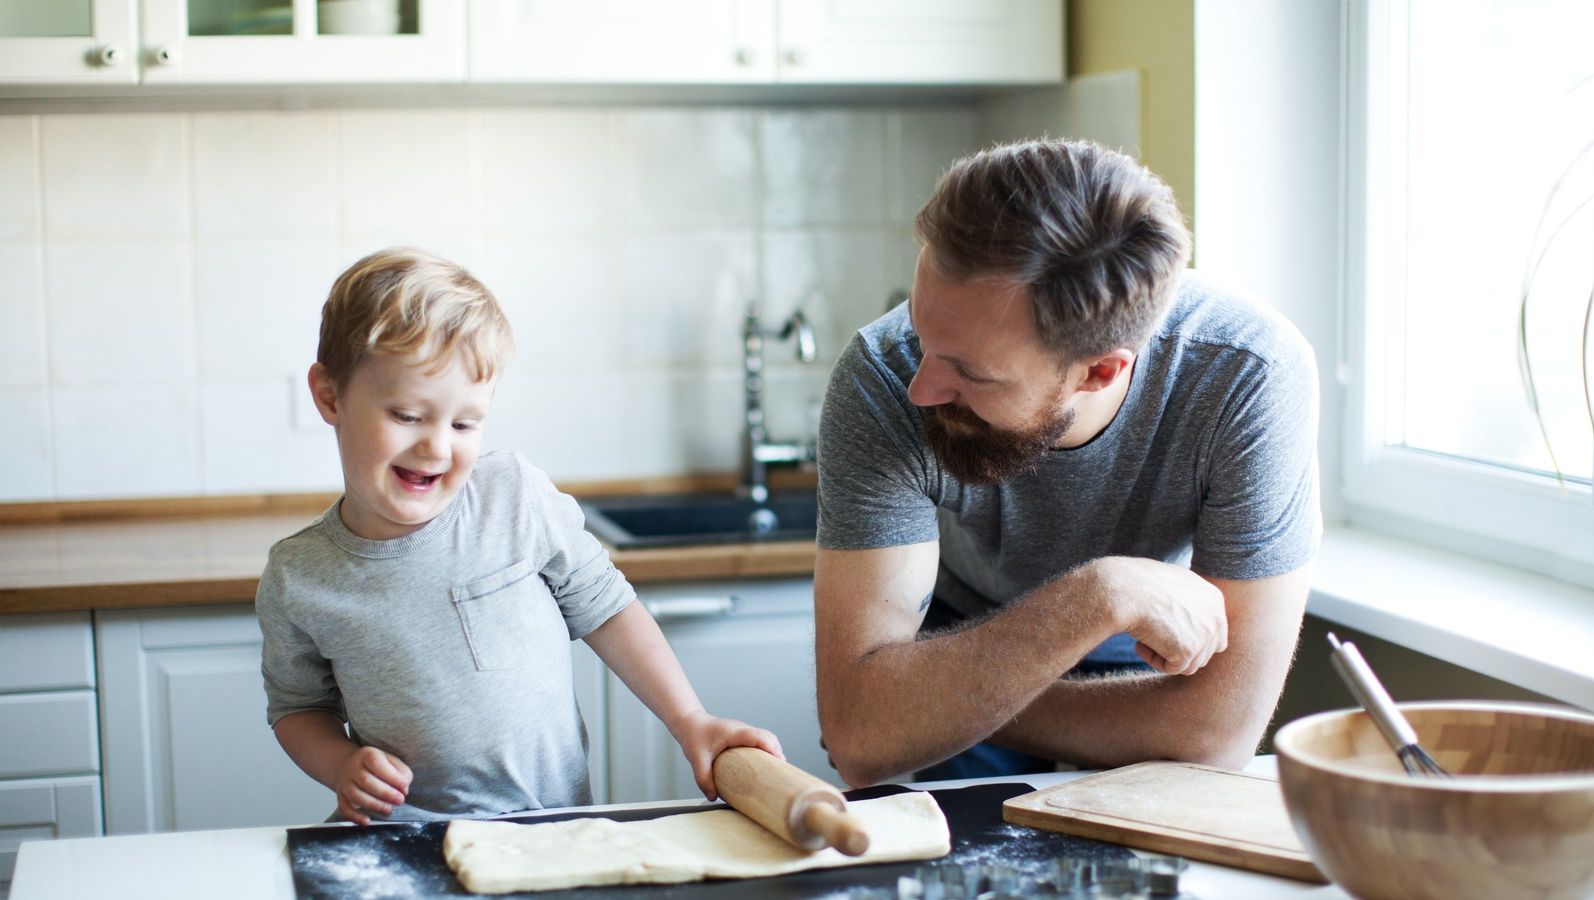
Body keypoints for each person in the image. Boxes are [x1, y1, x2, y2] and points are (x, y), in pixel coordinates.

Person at [812, 139, 1320, 787]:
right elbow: (860, 733)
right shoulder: (880, 374)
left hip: (1144, 645)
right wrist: (1101, 592)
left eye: (969, 372)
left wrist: (932, 703)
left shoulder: (1250, 374)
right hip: (956, 628)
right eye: (921, 332)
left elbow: (1215, 733)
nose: (920, 388)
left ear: (1101, 369)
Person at [257, 247, 782, 824]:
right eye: (407, 415)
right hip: (405, 839)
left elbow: (609, 609)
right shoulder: (298, 575)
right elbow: (298, 708)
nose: (436, 446)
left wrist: (691, 721)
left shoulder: (514, 497)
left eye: (464, 423)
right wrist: (339, 765)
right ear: (330, 396)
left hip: (548, 829)